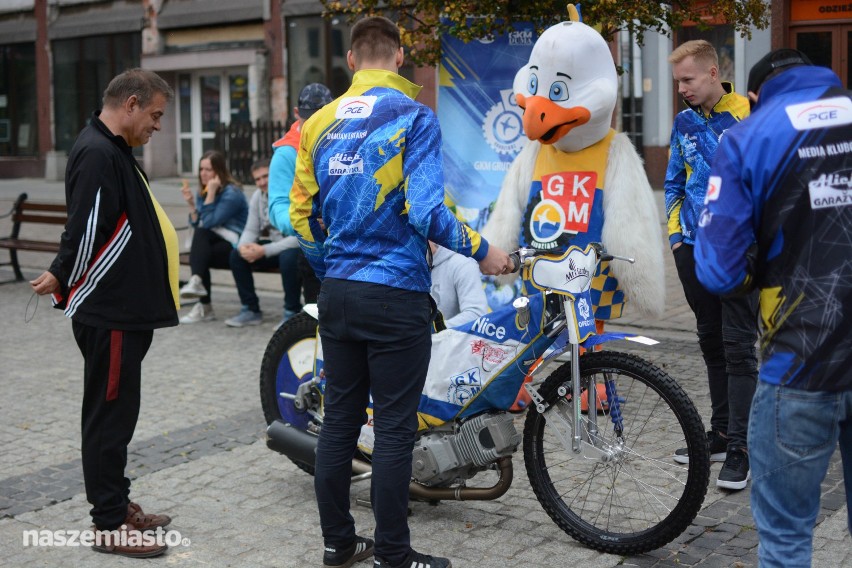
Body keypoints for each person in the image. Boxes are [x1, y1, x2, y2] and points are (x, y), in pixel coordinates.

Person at [290, 16, 513, 568]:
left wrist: (333, 266)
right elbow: (428, 211)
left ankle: (339, 545)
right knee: (392, 427)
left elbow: (299, 217)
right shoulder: (414, 116)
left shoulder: (317, 123)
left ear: (349, 61)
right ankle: (393, 553)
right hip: (395, 296)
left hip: (338, 293)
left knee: (340, 422)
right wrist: (485, 251)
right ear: (399, 56)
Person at [695, 48, 852, 568]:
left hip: (800, 364)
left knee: (785, 544)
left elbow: (718, 272)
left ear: (757, 95)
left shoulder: (746, 137)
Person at [30, 68, 177, 558]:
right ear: (130, 104)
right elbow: (85, 227)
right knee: (108, 418)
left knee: (118, 414)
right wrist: (60, 272)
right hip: (110, 311)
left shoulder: (114, 148)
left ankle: (116, 502)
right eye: (154, 115)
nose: (157, 125)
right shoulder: (97, 151)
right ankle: (109, 523)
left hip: (124, 310)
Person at [664, 39, 759, 490]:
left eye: (688, 79)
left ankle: (741, 448)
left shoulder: (748, 116)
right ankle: (720, 435)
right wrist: (676, 243)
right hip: (693, 252)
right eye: (677, 81)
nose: (681, 88)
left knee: (740, 348)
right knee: (711, 343)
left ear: (713, 71)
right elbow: (673, 183)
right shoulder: (683, 121)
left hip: (738, 252)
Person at [268, 82, 334, 313]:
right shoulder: (286, 153)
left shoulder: (342, 140)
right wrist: (307, 223)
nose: (315, 125)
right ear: (297, 114)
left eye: (322, 117)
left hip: (346, 246)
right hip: (313, 247)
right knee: (321, 321)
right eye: (309, 119)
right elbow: (277, 207)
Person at [224, 159, 302, 327]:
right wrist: (244, 248)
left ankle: (292, 312)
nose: (262, 182)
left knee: (288, 258)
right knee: (236, 256)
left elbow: (299, 236)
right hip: (274, 247)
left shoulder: (292, 193)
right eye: (257, 179)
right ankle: (251, 310)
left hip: (296, 247)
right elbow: (251, 230)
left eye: (266, 176)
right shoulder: (258, 197)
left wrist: (264, 250)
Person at [178, 150, 248, 323]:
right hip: (214, 242)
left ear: (219, 171)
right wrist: (191, 206)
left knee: (201, 248)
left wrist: (210, 194)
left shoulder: (232, 193)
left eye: (208, 169)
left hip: (236, 245)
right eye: (201, 169)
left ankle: (203, 300)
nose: (203, 173)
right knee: (202, 252)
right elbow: (199, 223)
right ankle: (202, 299)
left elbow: (207, 223)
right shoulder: (203, 190)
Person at [429, 240, 489, 328]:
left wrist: (437, 328)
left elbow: (477, 314)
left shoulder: (462, 264)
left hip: (451, 340)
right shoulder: (405, 268)